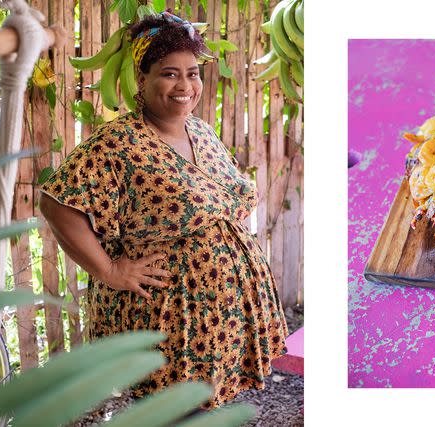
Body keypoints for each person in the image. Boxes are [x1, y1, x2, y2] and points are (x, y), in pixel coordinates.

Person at [38, 10, 288, 410]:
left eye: (192, 73)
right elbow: (56, 203)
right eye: (169, 73)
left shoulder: (200, 130)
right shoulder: (119, 142)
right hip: (169, 325)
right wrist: (109, 270)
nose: (185, 85)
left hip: (219, 324)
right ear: (143, 78)